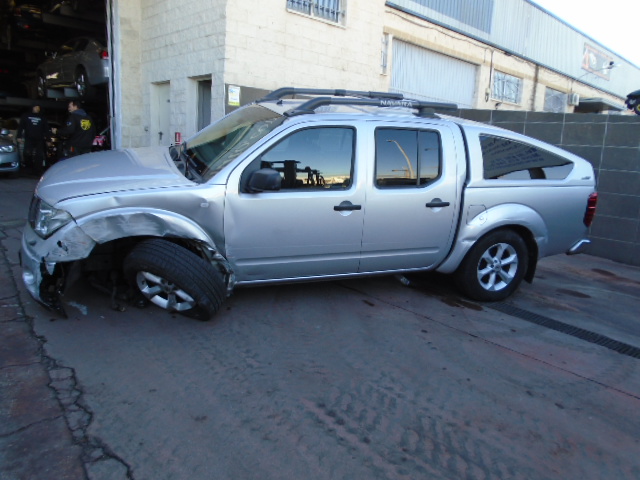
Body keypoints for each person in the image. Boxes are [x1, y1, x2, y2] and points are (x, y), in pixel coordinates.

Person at [16, 104, 49, 174]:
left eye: (38, 107)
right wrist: (19, 136)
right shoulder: (26, 116)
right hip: (29, 138)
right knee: (27, 153)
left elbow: (46, 129)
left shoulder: (42, 117)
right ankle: (29, 167)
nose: (37, 109)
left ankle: (37, 170)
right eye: (36, 107)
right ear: (32, 107)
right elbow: (21, 126)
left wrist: (48, 139)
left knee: (39, 155)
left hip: (40, 139)